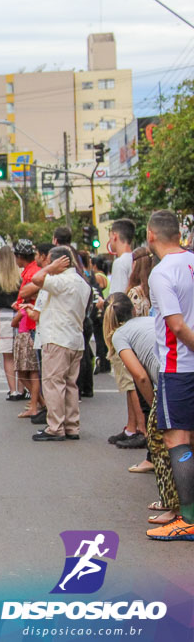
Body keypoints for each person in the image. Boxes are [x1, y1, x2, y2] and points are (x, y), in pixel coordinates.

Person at [103, 293, 176, 524]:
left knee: (161, 446)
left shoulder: (120, 335)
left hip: (169, 381)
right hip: (182, 374)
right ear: (132, 310)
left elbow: (140, 376)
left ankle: (172, 505)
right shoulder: (147, 322)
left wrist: (154, 407)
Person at [144, 210, 194, 540]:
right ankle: (182, 512)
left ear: (151, 236)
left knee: (178, 441)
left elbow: (175, 324)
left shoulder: (162, 273)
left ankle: (188, 520)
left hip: (179, 367)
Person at [25, 248, 91, 442]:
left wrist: (51, 268)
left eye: (50, 263)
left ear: (60, 263)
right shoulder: (82, 283)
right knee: (71, 384)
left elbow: (36, 279)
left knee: (53, 383)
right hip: (75, 339)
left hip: (57, 338)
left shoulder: (61, 281)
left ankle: (55, 426)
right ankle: (72, 425)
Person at [12, 239, 44, 420]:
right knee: (26, 369)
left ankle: (36, 404)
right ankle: (38, 402)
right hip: (27, 322)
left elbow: (32, 294)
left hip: (30, 323)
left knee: (30, 369)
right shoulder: (31, 271)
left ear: (19, 257)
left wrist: (21, 305)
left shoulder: (33, 272)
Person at [0, 245, 22, 399]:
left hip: (1, 316)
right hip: (19, 315)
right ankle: (23, 390)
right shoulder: (19, 277)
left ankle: (13, 390)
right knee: (20, 355)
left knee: (7, 356)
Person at [107, 218, 136, 295]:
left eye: (110, 237)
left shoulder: (120, 262)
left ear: (115, 236)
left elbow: (117, 296)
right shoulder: (136, 258)